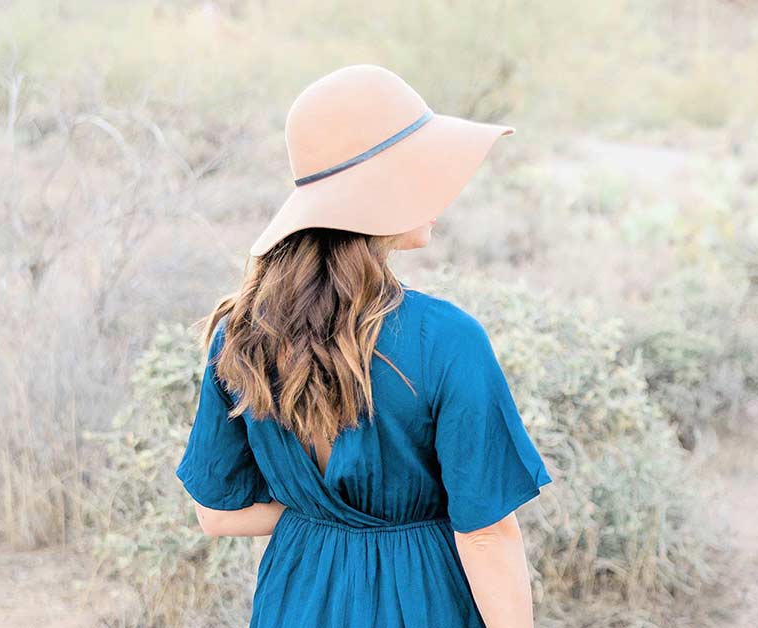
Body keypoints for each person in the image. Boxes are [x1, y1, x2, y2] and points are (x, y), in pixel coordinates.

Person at [174, 64, 553, 627]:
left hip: (297, 599)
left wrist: (326, 517)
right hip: (424, 601)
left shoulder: (243, 330)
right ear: (383, 191)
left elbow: (216, 514)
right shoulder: (446, 339)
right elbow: (486, 536)